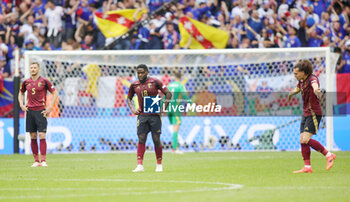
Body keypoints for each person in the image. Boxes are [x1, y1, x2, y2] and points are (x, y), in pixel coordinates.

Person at [288, 60, 336, 173]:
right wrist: (291, 93)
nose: (294, 75)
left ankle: (329, 155)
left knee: (305, 139)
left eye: (296, 73)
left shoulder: (312, 79)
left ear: (304, 72)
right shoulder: (301, 81)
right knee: (302, 140)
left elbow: (315, 86)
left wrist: (316, 90)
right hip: (305, 113)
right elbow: (297, 88)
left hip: (314, 113)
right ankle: (307, 167)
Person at [127, 64, 172, 172]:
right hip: (142, 115)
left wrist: (163, 108)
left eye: (142, 72)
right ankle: (139, 165)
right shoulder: (134, 85)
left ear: (147, 72)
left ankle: (159, 165)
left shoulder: (155, 82)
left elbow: (168, 94)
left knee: (156, 139)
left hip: (154, 116)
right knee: (141, 139)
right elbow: (129, 98)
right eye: (138, 72)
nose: (140, 74)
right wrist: (133, 109)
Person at [18, 62, 59, 167]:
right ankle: (36, 161)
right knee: (33, 136)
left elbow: (55, 93)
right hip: (30, 112)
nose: (33, 69)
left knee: (42, 135)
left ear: (38, 69)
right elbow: (21, 93)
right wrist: (22, 105)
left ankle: (43, 160)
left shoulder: (45, 81)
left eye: (35, 68)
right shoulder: (26, 82)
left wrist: (49, 108)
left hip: (41, 111)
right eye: (31, 68)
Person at [166, 71, 191, 154]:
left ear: (174, 77)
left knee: (174, 128)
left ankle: (173, 146)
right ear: (181, 78)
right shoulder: (180, 85)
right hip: (175, 109)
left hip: (168, 108)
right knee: (176, 128)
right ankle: (175, 148)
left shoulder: (169, 85)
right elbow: (184, 95)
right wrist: (190, 103)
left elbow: (165, 96)